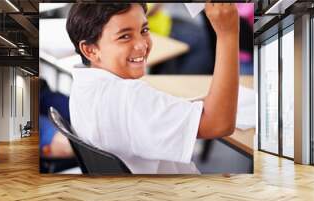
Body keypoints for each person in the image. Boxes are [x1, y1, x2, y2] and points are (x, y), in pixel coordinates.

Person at [66, 3, 239, 174]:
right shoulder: (131, 98)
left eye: (144, 30)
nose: (142, 45)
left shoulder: (82, 84)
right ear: (90, 50)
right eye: (124, 36)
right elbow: (219, 124)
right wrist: (227, 34)